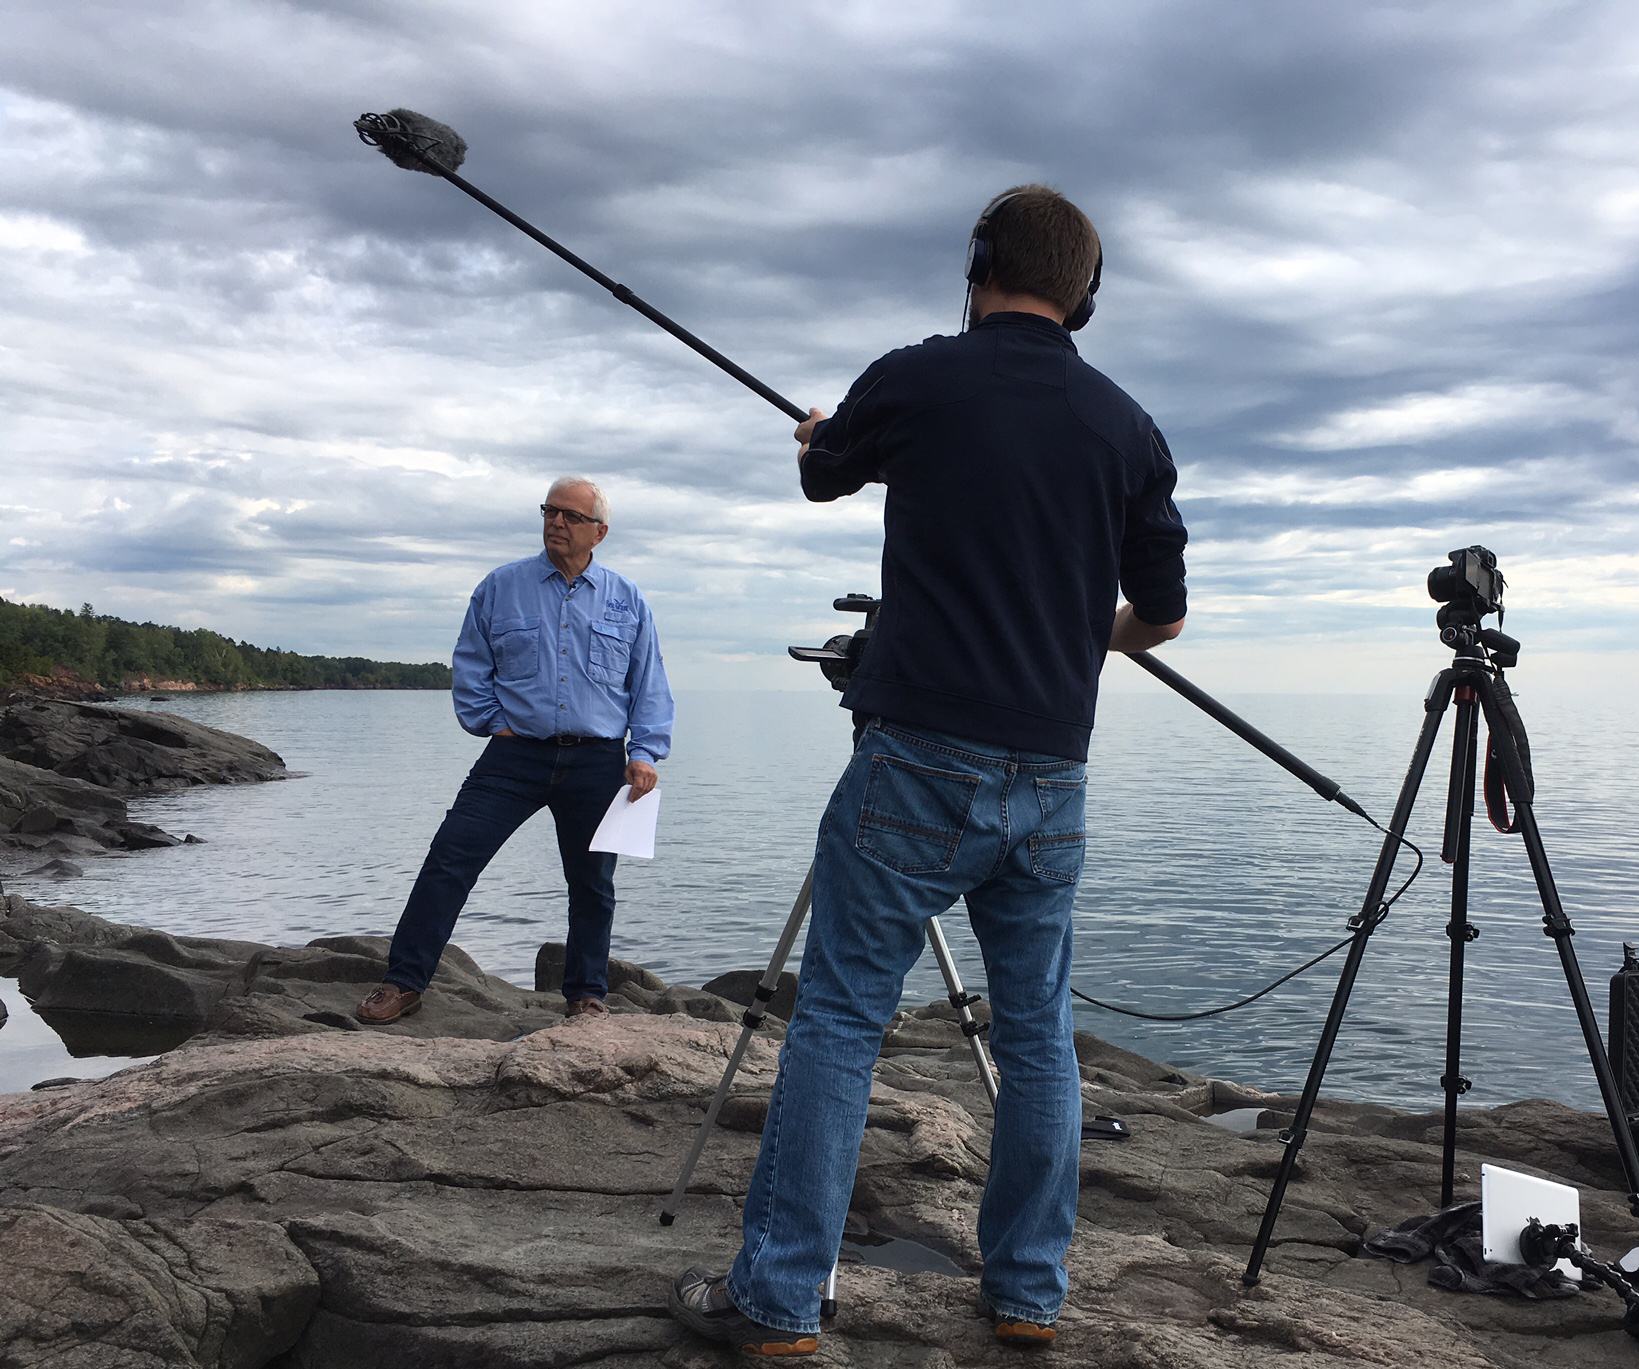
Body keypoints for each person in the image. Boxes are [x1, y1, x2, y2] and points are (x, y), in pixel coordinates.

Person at [669, 186, 1188, 1357]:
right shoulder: (1127, 429)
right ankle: (1024, 1294)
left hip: (914, 761)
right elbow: (1159, 616)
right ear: (1085, 297)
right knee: (1036, 1031)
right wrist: (1077, 632)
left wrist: (817, 437)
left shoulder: (920, 374)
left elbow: (824, 474)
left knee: (842, 1021)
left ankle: (779, 1299)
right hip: (1052, 780)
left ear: (977, 265)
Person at [355, 477, 673, 1025]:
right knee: (449, 860)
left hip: (598, 760)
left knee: (593, 884)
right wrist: (491, 723)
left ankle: (586, 997)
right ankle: (403, 982)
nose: (556, 522)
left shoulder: (627, 599)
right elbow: (471, 664)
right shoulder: (501, 587)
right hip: (514, 758)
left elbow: (649, 685)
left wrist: (644, 754)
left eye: (570, 516)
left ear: (599, 531)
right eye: (549, 511)